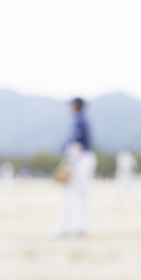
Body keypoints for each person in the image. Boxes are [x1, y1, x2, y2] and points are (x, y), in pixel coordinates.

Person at [55, 98, 97, 237]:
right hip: (85, 158)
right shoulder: (84, 120)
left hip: (79, 159)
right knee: (83, 194)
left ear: (77, 105)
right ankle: (83, 227)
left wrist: (68, 163)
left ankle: (65, 228)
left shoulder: (79, 121)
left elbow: (76, 144)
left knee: (70, 193)